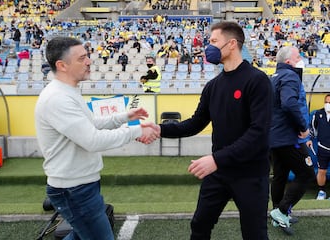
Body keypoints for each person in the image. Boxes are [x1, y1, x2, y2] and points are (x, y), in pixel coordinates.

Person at [141, 21, 273, 239]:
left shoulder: (258, 81)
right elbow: (194, 123)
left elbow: (258, 134)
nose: (207, 47)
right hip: (218, 173)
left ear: (232, 44)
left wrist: (216, 159)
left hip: (250, 175)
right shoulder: (213, 86)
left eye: (213, 41)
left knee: (254, 234)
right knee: (199, 225)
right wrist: (160, 129)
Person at [34, 37, 159, 240]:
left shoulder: (68, 91)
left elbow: (90, 124)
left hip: (80, 185)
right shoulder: (58, 98)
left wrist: (126, 118)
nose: (89, 61)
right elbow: (93, 140)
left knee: (82, 235)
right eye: (82, 58)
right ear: (62, 65)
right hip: (73, 189)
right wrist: (136, 132)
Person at [269, 46, 315, 232]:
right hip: (288, 137)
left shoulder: (273, 77)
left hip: (274, 136)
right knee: (306, 173)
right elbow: (289, 103)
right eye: (298, 56)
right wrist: (303, 127)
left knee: (280, 176)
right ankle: (281, 211)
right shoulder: (290, 76)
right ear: (288, 62)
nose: (301, 58)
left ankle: (277, 215)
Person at [308, 94, 330, 200]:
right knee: (322, 170)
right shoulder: (318, 114)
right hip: (323, 147)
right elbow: (312, 128)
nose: (328, 104)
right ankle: (322, 191)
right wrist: (309, 139)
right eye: (326, 102)